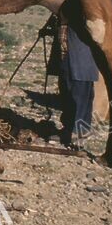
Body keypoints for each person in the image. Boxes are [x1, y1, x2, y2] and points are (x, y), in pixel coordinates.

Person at [43, 10, 100, 149]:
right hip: (67, 62)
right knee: (67, 97)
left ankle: (78, 132)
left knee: (79, 98)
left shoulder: (84, 16)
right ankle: (68, 130)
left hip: (81, 62)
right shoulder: (62, 22)